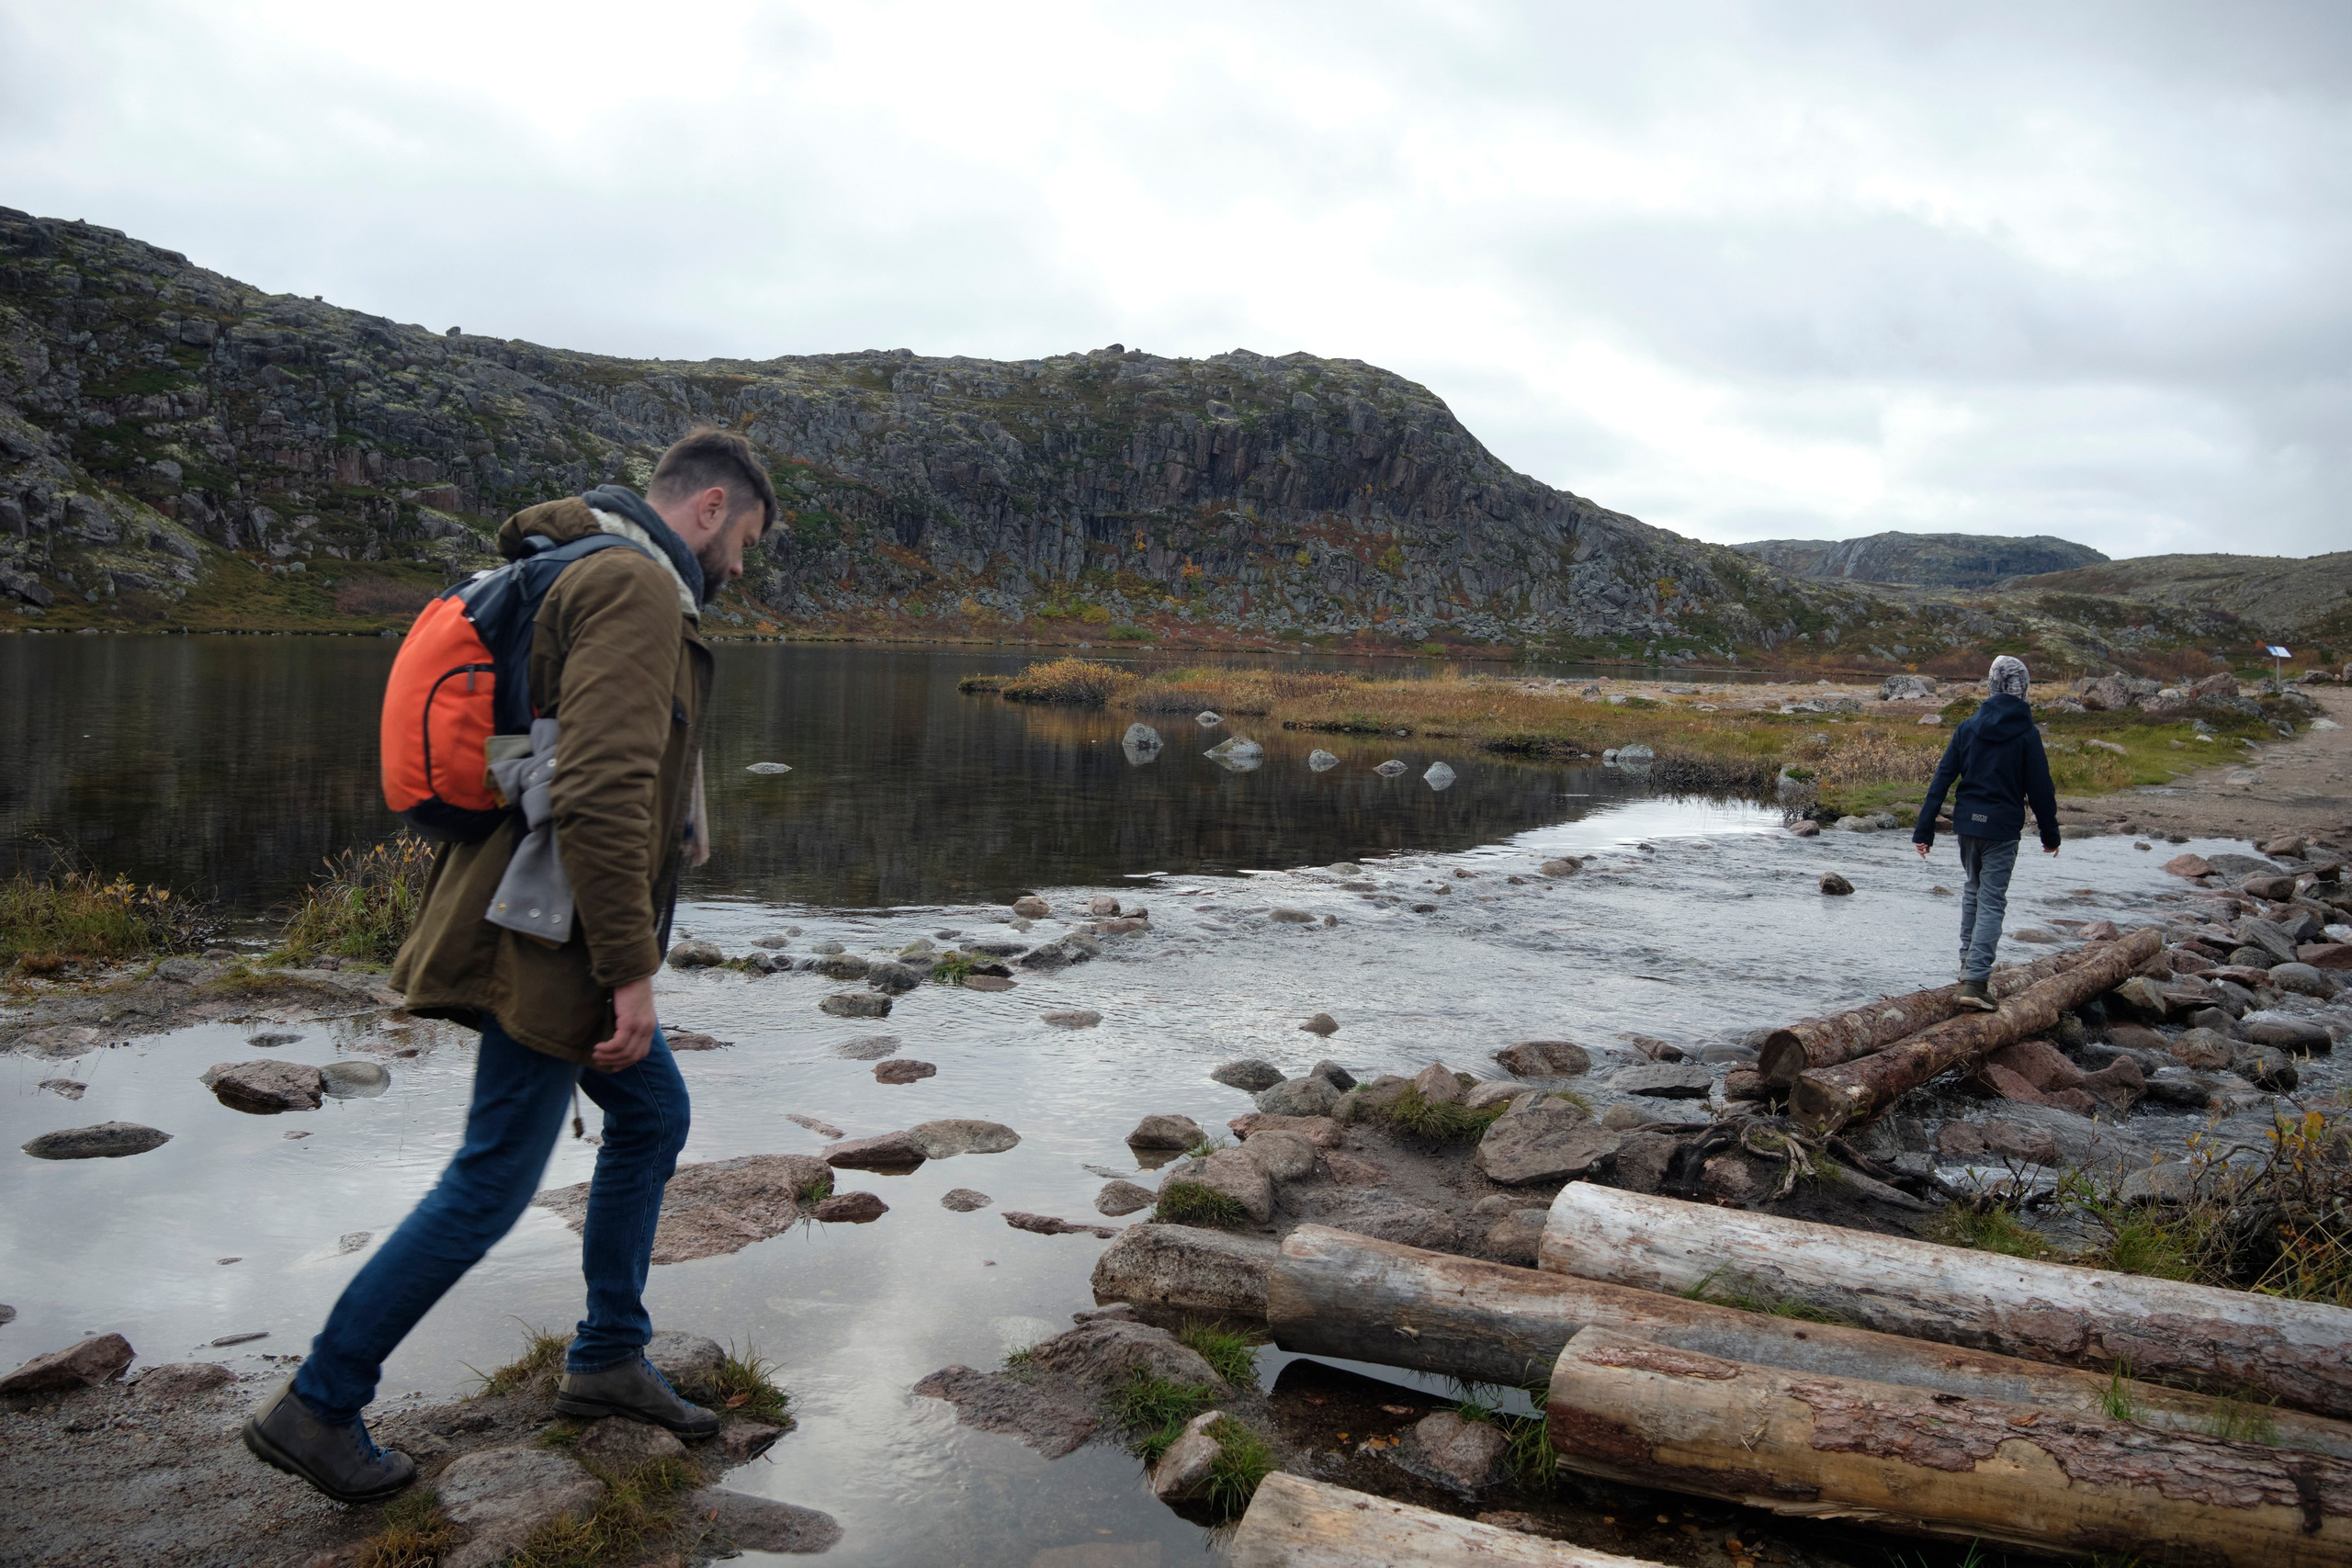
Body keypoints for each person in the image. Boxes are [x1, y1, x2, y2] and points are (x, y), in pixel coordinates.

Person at [243, 429, 775, 1502]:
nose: (743, 565)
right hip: (546, 940)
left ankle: (609, 1357)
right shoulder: (629, 585)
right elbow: (602, 790)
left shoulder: (582, 570)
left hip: (539, 916)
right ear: (710, 508)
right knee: (492, 1179)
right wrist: (630, 971)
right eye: (748, 539)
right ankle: (319, 1403)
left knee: (651, 1115)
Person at [1913, 654, 2061, 1011]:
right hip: (2002, 828)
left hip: (1967, 825)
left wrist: (1924, 831)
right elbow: (2041, 788)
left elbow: (1942, 780)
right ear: (2023, 689)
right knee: (1991, 899)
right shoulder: (2027, 733)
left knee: (1973, 893)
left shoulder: (1968, 726)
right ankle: (1975, 982)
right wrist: (2050, 835)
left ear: (1992, 686)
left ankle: (1968, 968)